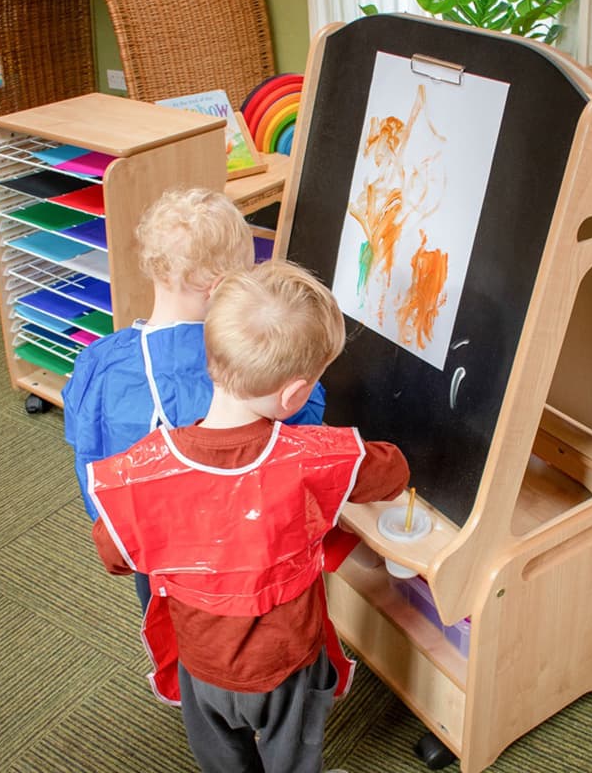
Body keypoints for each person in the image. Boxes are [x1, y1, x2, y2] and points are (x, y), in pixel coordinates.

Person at [87, 260, 410, 773]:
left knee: (224, 764)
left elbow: (113, 552)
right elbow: (391, 470)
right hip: (289, 665)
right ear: (295, 395)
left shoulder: (150, 469)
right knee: (294, 761)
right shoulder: (312, 456)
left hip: (202, 665)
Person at [62, 188, 325, 612]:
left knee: (168, 622)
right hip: (237, 557)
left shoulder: (96, 361)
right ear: (221, 287)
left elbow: (84, 448)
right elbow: (297, 429)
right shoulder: (239, 366)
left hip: (146, 550)